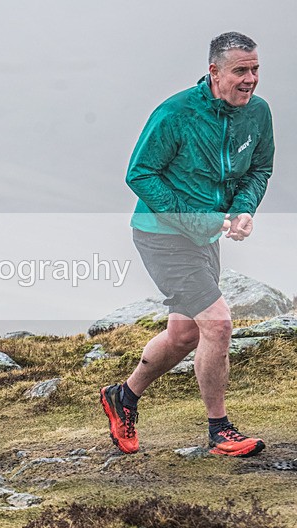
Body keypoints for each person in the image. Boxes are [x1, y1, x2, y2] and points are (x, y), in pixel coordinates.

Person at [101, 32, 274, 457]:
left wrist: (242, 210)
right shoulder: (176, 113)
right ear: (215, 71)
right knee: (217, 323)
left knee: (183, 334)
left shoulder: (258, 113)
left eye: (254, 69)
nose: (250, 79)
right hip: (161, 235)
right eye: (240, 71)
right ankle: (220, 430)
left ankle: (123, 396)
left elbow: (260, 169)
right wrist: (194, 218)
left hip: (205, 237)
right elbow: (140, 173)